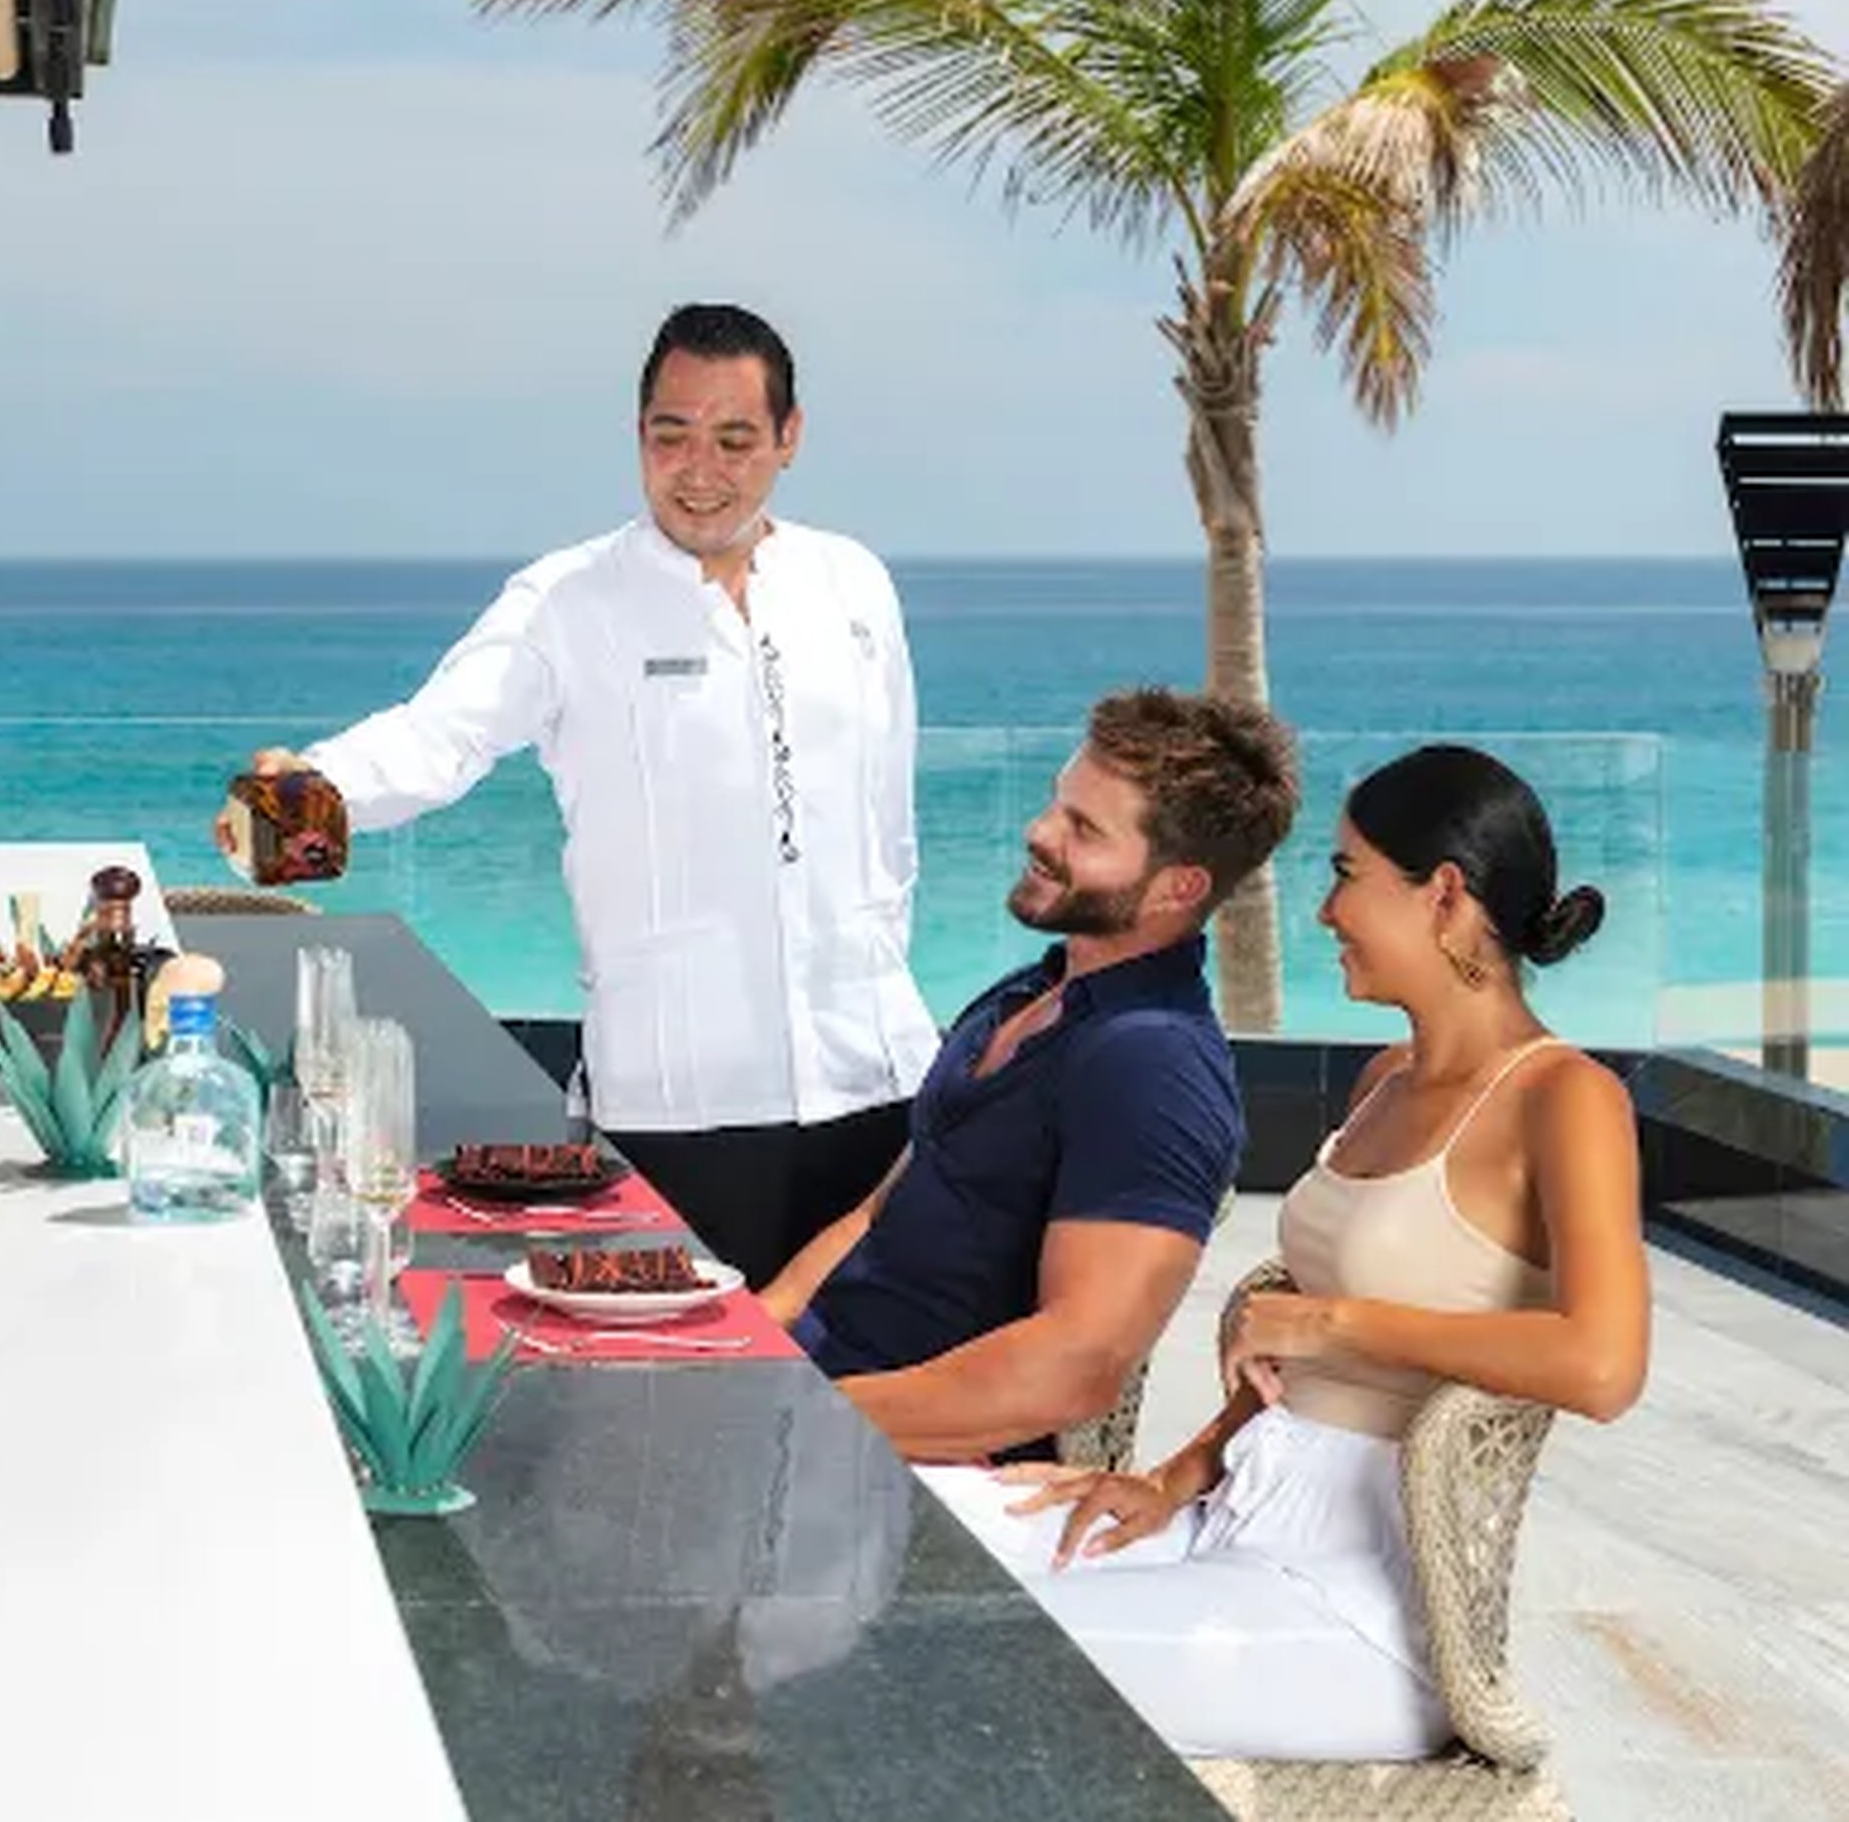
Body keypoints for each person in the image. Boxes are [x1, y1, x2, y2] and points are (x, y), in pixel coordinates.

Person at [923, 742, 1650, 1763]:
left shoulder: (1565, 1099)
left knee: (961, 1662)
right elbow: (1285, 1366)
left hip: (1362, 1608)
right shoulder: (1384, 1083)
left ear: (1442, 896)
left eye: (1347, 875)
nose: (1324, 913)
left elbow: (1604, 1365)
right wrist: (1174, 1476)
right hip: (1233, 1515)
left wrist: (1334, 1322)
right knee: (896, 1523)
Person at [219, 303, 938, 1283]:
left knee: (873, 1414)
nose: (699, 469)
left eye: (735, 440)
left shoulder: (854, 585)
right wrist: (312, 787)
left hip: (880, 1089)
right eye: (670, 435)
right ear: (637, 434)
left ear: (789, 439)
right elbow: (441, 736)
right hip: (674, 1113)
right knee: (678, 1413)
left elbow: (888, 827)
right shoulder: (569, 602)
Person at [761, 687, 1300, 1465]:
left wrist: (792, 1422)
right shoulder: (1031, 994)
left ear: (1178, 887)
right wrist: (747, 1345)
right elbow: (882, 1213)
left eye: (1084, 829)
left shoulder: (1154, 1067)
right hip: (812, 1397)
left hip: (915, 1467)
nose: (1039, 832)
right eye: (1057, 803)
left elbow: (1076, 1369)